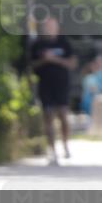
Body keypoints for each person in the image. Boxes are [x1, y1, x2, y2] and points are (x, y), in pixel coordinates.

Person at [29, 18, 77, 164]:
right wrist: (45, 60)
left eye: (53, 26)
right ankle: (52, 150)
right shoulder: (37, 45)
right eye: (47, 26)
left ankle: (65, 145)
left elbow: (72, 63)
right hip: (45, 85)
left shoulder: (64, 43)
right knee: (48, 116)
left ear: (57, 27)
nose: (50, 28)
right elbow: (32, 65)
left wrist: (54, 59)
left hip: (62, 85)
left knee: (63, 116)